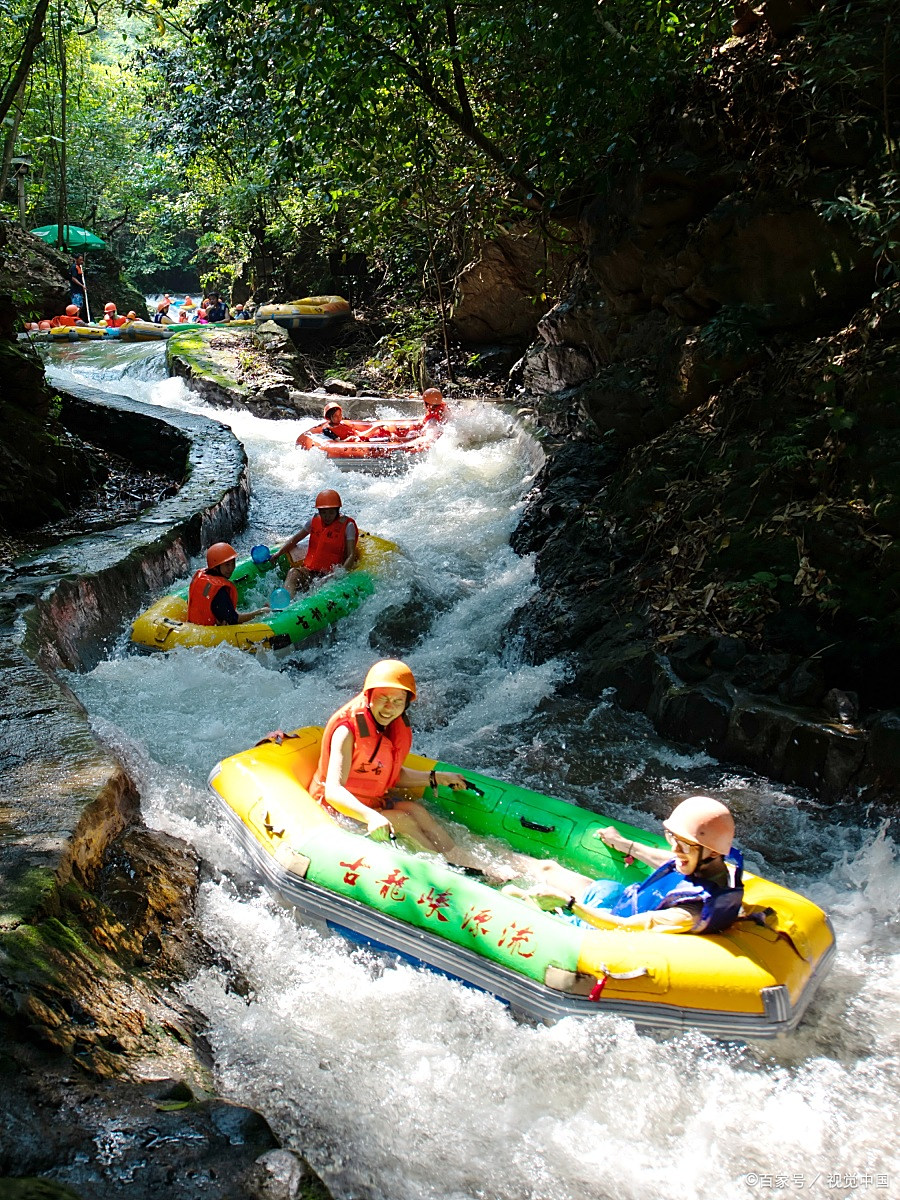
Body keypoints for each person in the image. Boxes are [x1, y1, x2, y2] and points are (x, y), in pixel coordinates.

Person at [301, 659, 485, 868]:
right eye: (383, 699)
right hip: (336, 811)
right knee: (401, 820)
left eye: (398, 701)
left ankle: (465, 861)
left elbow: (387, 772)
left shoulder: (390, 726)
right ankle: (448, 869)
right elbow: (334, 791)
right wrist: (370, 817)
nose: (389, 708)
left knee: (416, 811)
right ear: (368, 696)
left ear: (406, 704)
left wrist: (436, 777)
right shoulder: (346, 731)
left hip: (372, 802)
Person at [508, 796, 744, 935]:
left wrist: (568, 903)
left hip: (601, 928)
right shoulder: (711, 866)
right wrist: (625, 844)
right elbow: (669, 863)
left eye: (683, 845)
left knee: (512, 893)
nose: (675, 850)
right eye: (672, 839)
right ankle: (493, 857)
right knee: (547, 867)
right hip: (621, 900)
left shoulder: (689, 913)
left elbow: (623, 926)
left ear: (713, 851)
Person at [274, 488, 358, 596]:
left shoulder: (348, 526)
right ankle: (284, 601)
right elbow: (296, 539)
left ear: (337, 511)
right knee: (293, 572)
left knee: (320, 584)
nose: (327, 516)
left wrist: (338, 575)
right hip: (311, 571)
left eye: (331, 512)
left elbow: (351, 555)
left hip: (330, 573)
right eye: (323, 512)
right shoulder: (313, 521)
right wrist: (278, 553)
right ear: (319, 511)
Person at [186, 542, 269, 626]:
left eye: (233, 563)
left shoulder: (201, 577)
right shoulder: (219, 591)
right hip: (209, 631)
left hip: (195, 625)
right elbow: (235, 619)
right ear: (216, 566)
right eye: (227, 565)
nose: (231, 568)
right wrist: (260, 612)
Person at [359, 387, 449, 442]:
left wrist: (399, 439)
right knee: (384, 428)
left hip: (417, 437)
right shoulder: (442, 407)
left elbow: (423, 437)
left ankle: (364, 436)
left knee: (383, 429)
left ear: (428, 404)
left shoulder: (432, 422)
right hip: (423, 430)